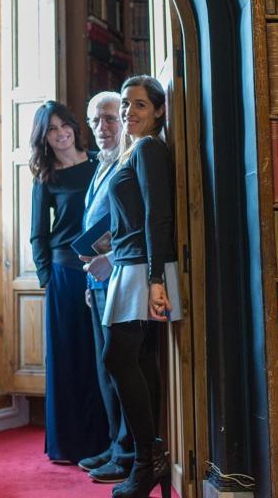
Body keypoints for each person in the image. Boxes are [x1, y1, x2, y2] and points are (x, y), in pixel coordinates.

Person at [103, 76, 175, 498]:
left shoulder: (149, 148)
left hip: (141, 271)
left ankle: (146, 462)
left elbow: (157, 215)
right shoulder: (133, 149)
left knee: (117, 359)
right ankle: (150, 461)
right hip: (129, 266)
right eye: (127, 105)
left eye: (141, 105)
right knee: (142, 361)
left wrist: (155, 279)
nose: (130, 112)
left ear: (159, 111)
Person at [29, 100, 109, 464]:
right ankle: (68, 445)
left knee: (99, 356)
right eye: (51, 129)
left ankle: (101, 443)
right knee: (66, 357)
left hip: (103, 267)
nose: (60, 133)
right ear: (43, 138)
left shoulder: (98, 163)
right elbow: (37, 235)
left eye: (64, 125)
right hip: (63, 274)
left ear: (75, 127)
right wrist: (47, 277)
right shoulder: (47, 178)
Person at [76, 92, 135, 484]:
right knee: (104, 368)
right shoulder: (99, 165)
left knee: (121, 369)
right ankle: (115, 445)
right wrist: (90, 276)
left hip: (122, 277)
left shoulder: (131, 162)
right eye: (96, 121)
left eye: (111, 118)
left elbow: (136, 223)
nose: (103, 127)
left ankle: (129, 453)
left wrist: (108, 262)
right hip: (96, 280)